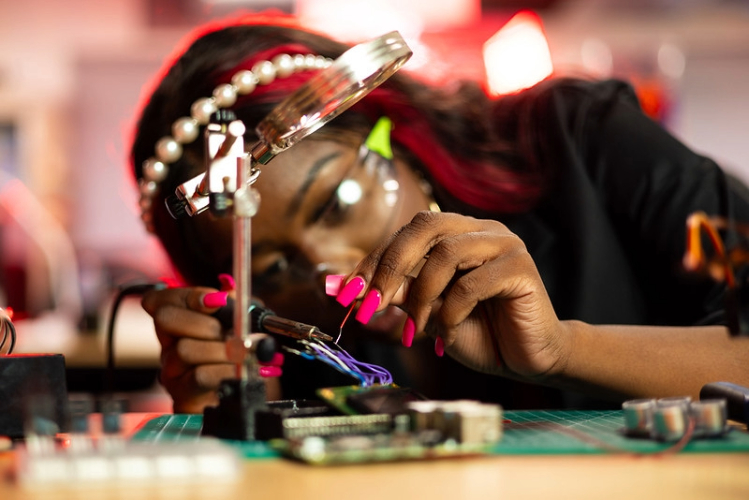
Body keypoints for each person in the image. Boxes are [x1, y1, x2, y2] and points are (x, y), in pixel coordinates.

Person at [130, 12, 749, 414]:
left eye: (336, 201)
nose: (329, 267)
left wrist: (563, 348)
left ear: (389, 129)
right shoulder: (304, 349)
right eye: (276, 266)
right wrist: (233, 415)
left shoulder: (580, 139)